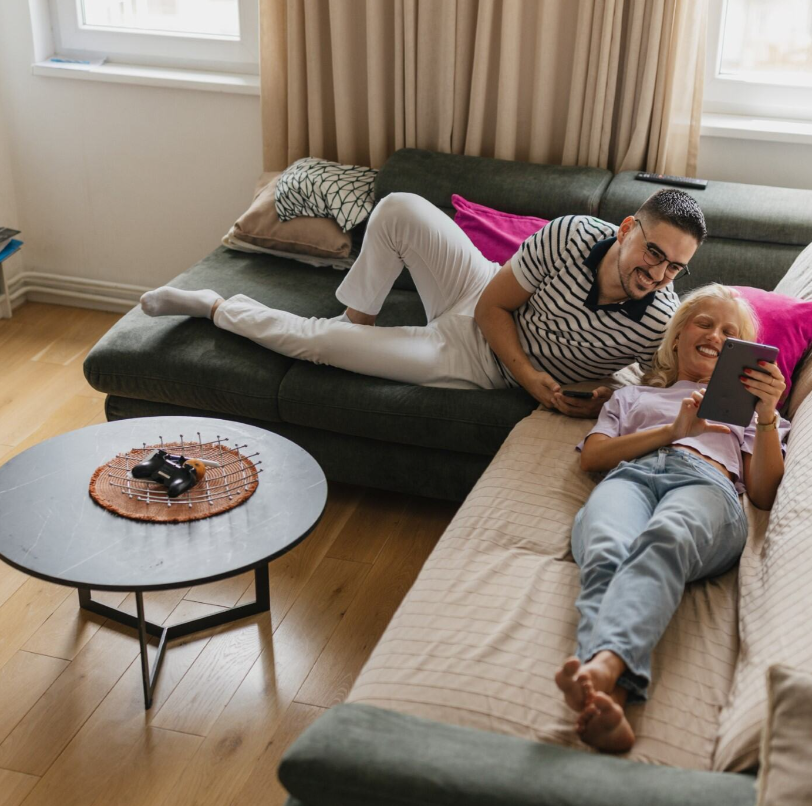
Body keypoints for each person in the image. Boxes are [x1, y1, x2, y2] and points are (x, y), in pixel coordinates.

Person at [140, 189, 705, 417]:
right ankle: (357, 318)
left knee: (317, 345)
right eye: (651, 253)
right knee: (399, 206)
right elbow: (491, 308)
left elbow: (675, 384)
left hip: (473, 361)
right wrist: (533, 377)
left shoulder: (659, 317)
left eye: (673, 267)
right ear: (627, 228)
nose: (656, 274)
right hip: (482, 296)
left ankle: (212, 306)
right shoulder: (573, 234)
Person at [553, 284, 789, 753]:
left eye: (730, 332)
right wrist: (671, 431)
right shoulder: (632, 396)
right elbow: (593, 457)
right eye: (705, 323)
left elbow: (761, 493)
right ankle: (608, 698)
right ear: (678, 335)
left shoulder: (747, 414)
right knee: (607, 549)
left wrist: (765, 416)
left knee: (667, 536)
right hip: (631, 477)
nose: (716, 336)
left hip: (709, 485)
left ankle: (601, 668)